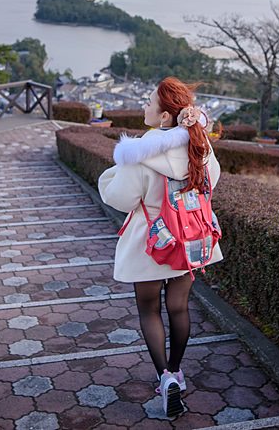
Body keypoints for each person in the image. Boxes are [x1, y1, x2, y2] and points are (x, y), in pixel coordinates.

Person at [97, 76, 223, 418]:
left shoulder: (140, 153)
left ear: (165, 117)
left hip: (150, 241)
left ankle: (164, 376)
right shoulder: (199, 145)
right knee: (179, 308)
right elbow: (213, 179)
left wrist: (107, 177)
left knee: (149, 310)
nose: (144, 106)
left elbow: (122, 198)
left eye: (149, 102)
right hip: (188, 241)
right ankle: (178, 373)